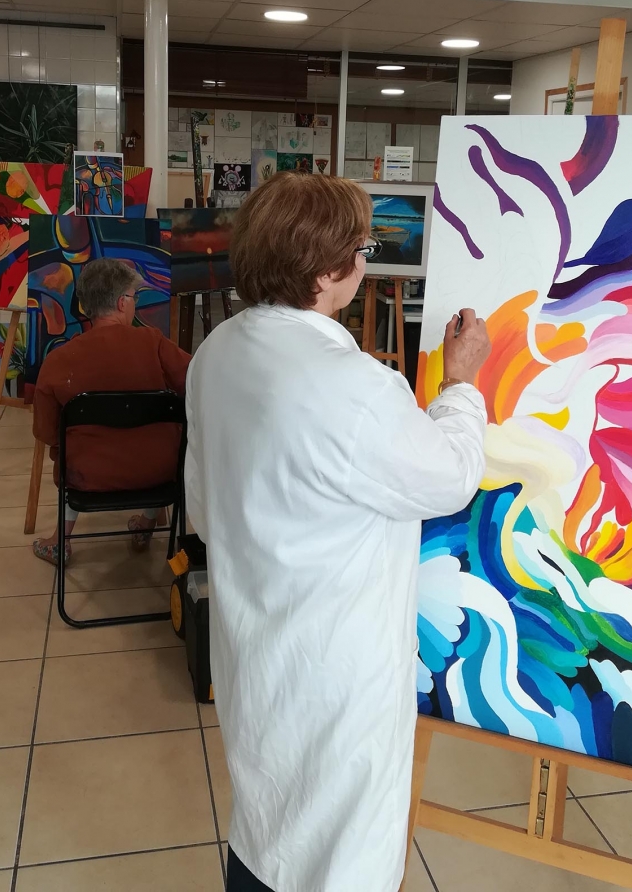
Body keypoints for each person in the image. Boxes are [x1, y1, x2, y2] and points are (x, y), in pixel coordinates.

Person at [185, 173, 490, 892]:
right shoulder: (351, 386)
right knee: (337, 854)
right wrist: (460, 385)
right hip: (335, 672)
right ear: (325, 272)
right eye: (361, 248)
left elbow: (202, 508)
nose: (364, 261)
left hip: (259, 648)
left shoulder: (217, 351)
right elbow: (450, 477)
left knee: (267, 825)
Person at [32, 257, 190, 566]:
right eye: (134, 297)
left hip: (86, 477)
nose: (134, 303)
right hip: (161, 472)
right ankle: (146, 522)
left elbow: (46, 432)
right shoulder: (153, 343)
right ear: (121, 303)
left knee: (70, 449)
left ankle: (60, 541)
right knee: (160, 439)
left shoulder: (60, 360)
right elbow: (195, 381)